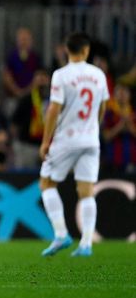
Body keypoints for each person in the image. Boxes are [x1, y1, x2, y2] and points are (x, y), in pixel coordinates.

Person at [39, 32, 109, 257]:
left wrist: (45, 140)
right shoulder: (99, 75)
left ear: (66, 50)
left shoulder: (61, 75)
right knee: (86, 191)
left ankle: (61, 235)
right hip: (91, 139)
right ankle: (86, 244)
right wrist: (93, 127)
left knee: (47, 184)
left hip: (66, 139)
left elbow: (53, 109)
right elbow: (102, 107)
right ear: (86, 50)